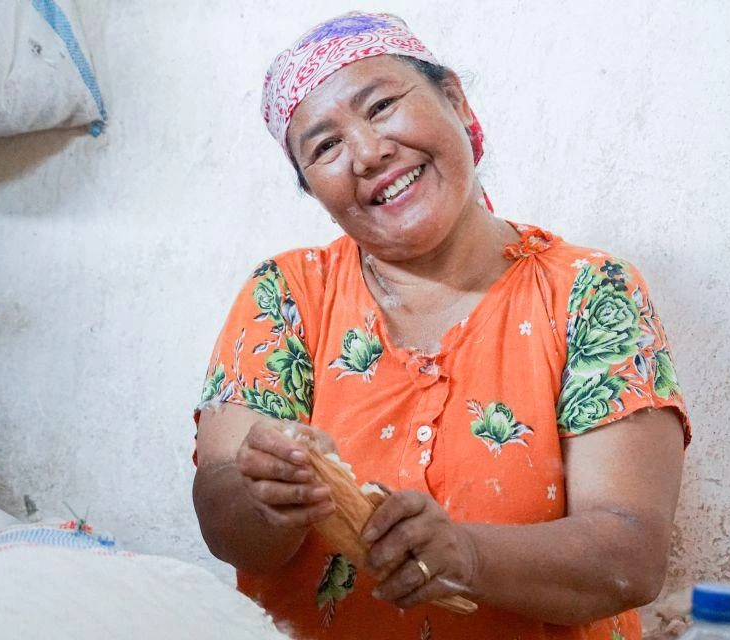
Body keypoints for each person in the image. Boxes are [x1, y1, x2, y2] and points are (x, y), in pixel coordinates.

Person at [193, 11, 689, 640]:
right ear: (314, 190)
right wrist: (266, 496)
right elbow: (226, 524)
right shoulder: (286, 297)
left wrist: (468, 557)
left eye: (380, 106)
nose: (369, 154)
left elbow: (630, 554)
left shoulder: (590, 295)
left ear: (453, 99)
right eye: (325, 146)